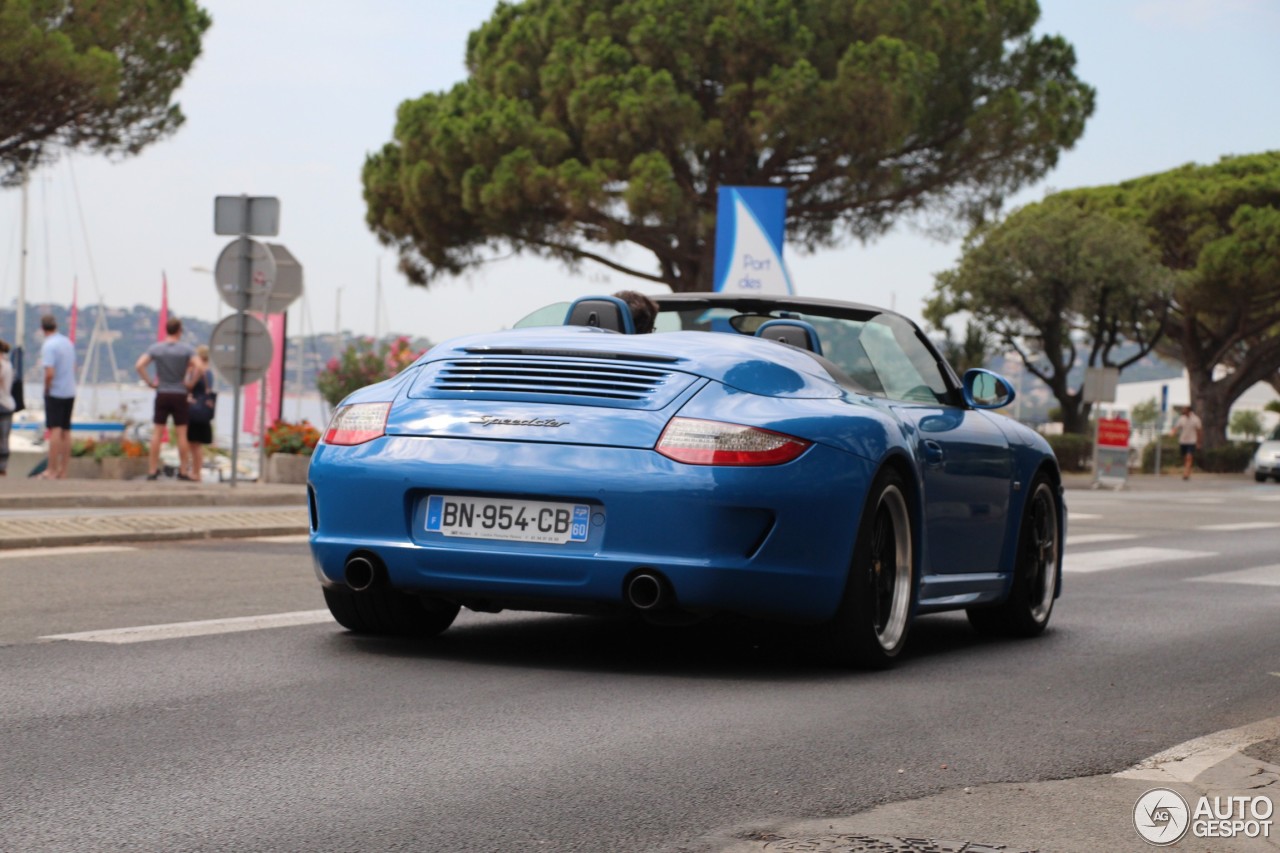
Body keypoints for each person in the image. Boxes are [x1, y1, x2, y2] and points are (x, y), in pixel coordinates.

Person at [136, 317, 198, 481]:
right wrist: (190, 383)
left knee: (157, 432)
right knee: (181, 434)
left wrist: (150, 382)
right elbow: (199, 366)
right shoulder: (186, 349)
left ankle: (152, 469)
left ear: (166, 330)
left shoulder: (156, 348)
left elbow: (139, 365)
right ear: (179, 331)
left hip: (162, 391)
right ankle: (183, 470)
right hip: (179, 392)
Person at [40, 314, 77, 479]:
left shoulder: (49, 345)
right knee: (66, 430)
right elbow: (74, 366)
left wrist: (46, 388)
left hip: (56, 391)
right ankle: (64, 470)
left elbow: (49, 373)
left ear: (43, 329)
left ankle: (51, 469)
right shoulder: (67, 342)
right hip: (70, 390)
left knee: (54, 429)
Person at [185, 344, 214, 481]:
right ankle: (197, 472)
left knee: (193, 444)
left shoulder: (198, 370)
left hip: (195, 409)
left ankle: (195, 472)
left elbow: (189, 385)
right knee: (198, 445)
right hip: (204, 410)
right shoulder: (209, 372)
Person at [1171, 403, 1203, 481]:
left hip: (1192, 441)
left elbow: (1199, 431)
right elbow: (1176, 427)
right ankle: (1187, 469)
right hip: (1183, 441)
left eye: (1184, 409)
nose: (1183, 411)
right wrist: (1173, 432)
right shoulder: (1182, 418)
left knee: (1189, 457)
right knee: (1185, 458)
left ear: (1188, 410)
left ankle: (1186, 473)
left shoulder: (1196, 419)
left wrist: (1199, 442)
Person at [0, 339, 13, 476]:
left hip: (1, 404)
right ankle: (3, 468)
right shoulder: (8, 364)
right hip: (8, 403)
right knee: (4, 438)